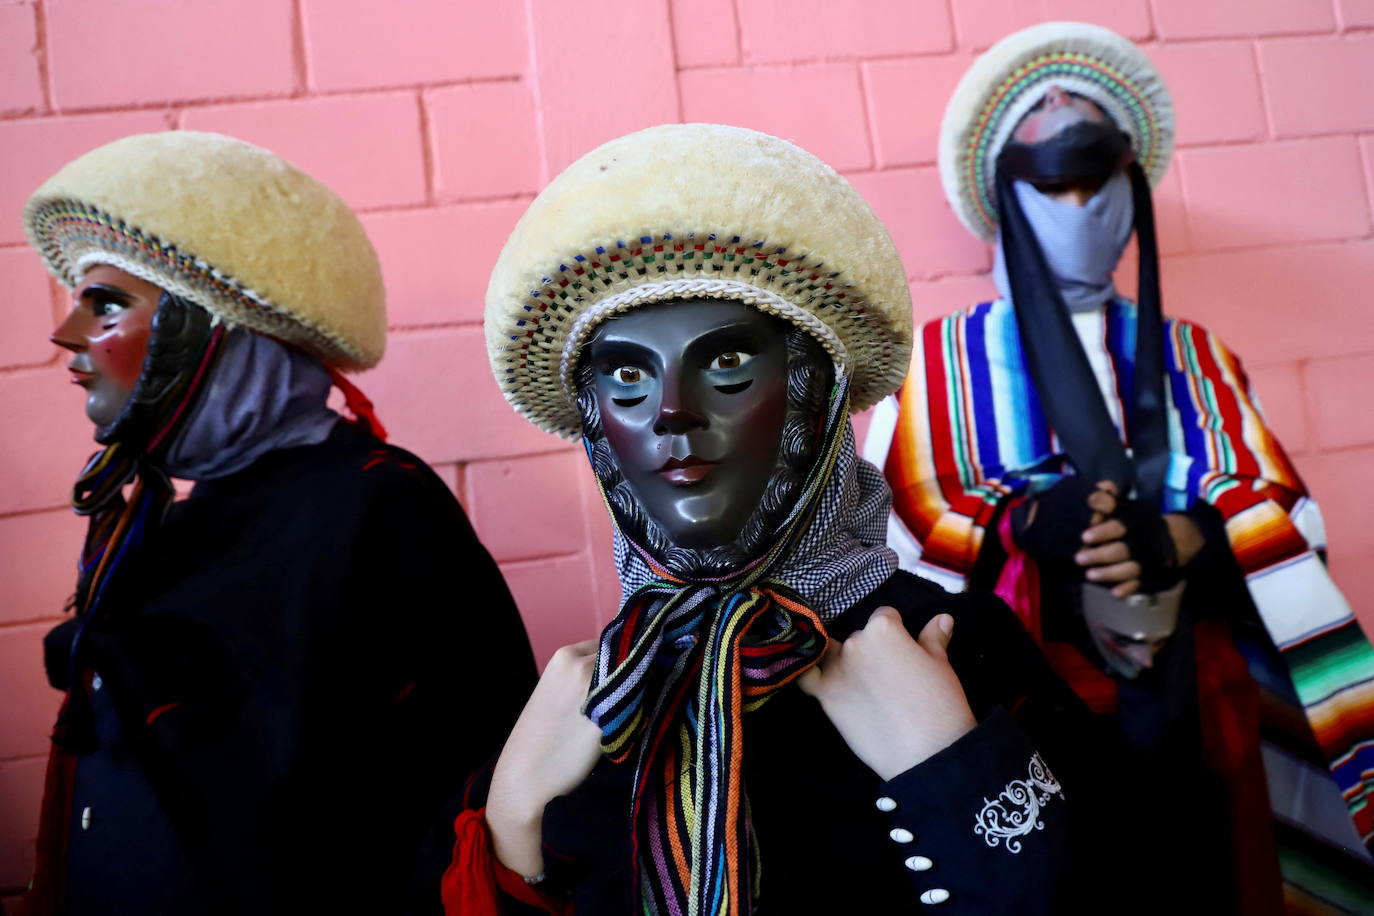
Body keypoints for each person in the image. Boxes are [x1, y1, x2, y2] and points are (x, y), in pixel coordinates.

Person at [439, 123, 1111, 915]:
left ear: (814, 394)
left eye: (725, 362)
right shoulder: (598, 698)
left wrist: (956, 774)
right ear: (593, 425)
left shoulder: (961, 650)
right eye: (626, 373)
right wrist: (513, 824)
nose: (672, 414)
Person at [864, 22, 1374, 912]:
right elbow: (886, 546)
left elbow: (1291, 525)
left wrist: (1185, 536)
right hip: (1023, 721)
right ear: (1002, 195)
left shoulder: (1195, 353)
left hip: (1197, 727)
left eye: (1098, 180)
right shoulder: (932, 362)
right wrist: (1025, 526)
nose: (1078, 207)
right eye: (1051, 183)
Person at [16, 131, 537, 915]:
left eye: (110, 303)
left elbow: (470, 800)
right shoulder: (173, 521)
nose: (69, 340)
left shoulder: (381, 508)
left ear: (216, 332)